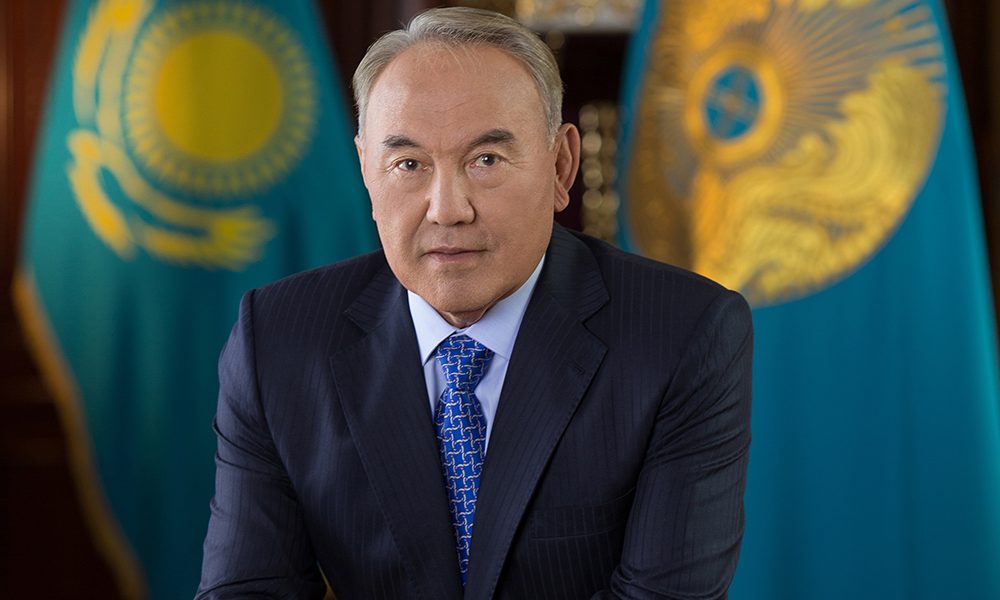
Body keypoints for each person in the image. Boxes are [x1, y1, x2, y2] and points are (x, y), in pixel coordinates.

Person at [196, 7, 752, 599]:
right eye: (408, 164)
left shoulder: (681, 335)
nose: (447, 209)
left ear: (561, 166)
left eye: (486, 160)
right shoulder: (277, 341)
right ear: (366, 171)